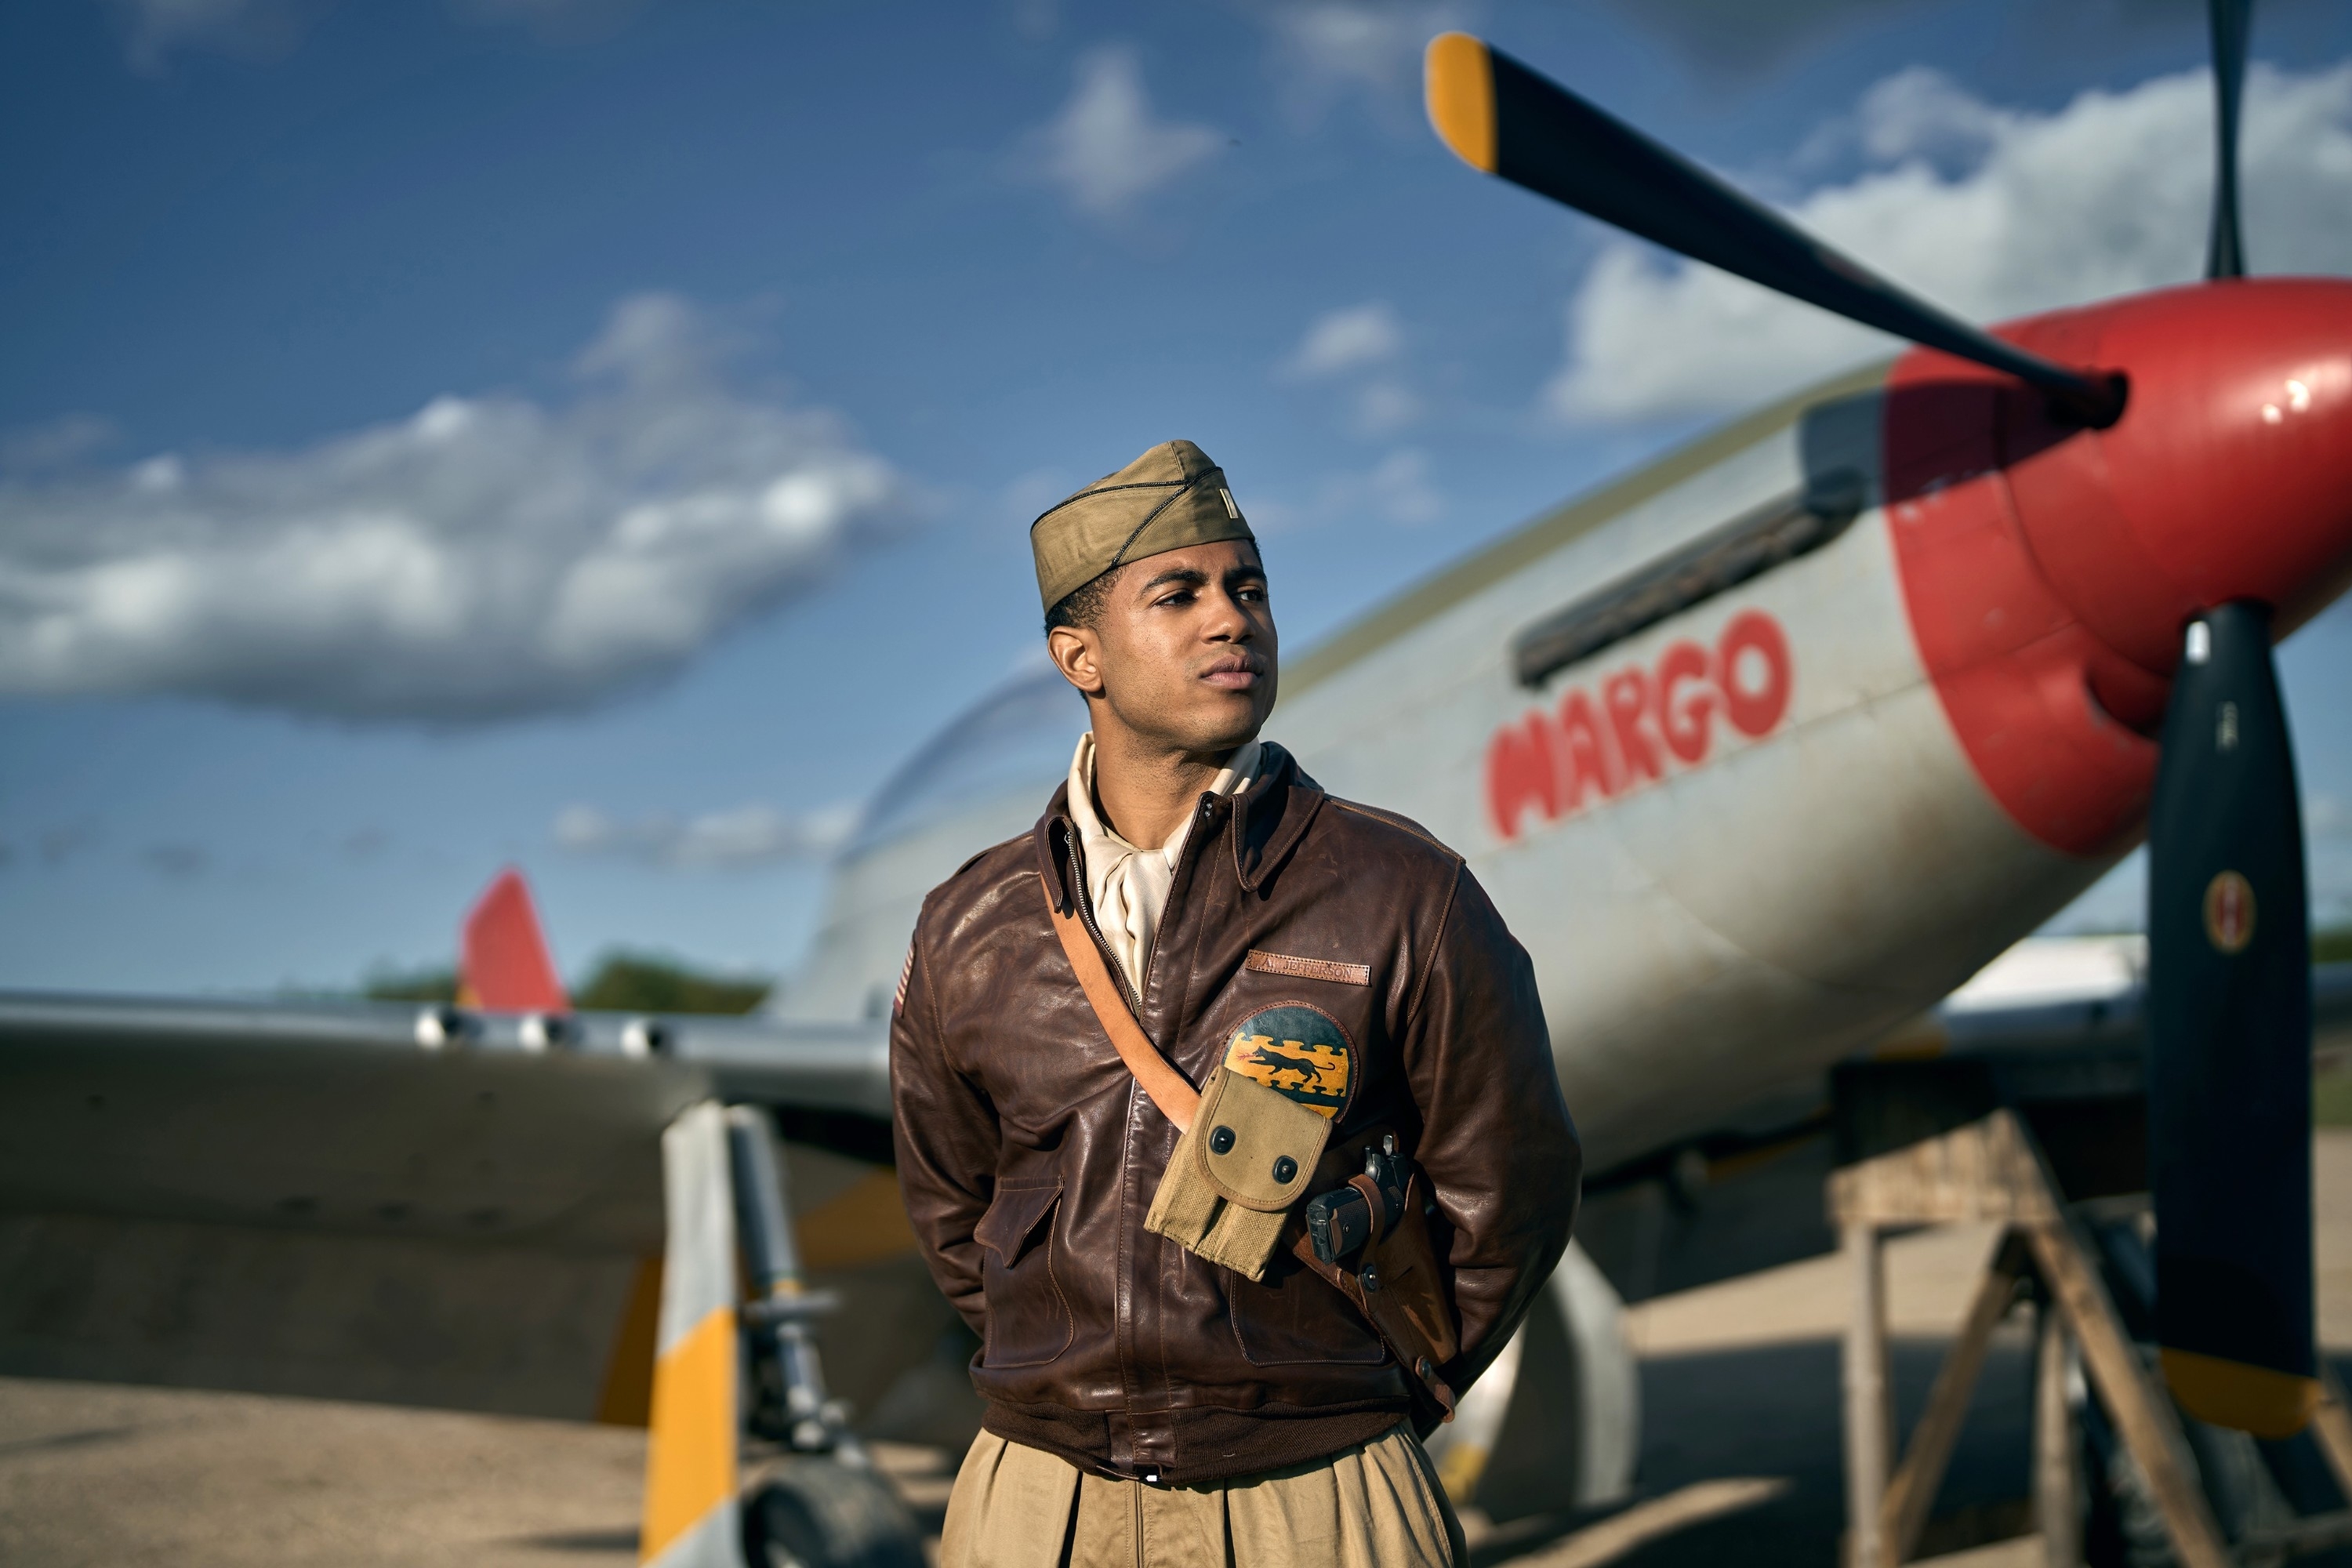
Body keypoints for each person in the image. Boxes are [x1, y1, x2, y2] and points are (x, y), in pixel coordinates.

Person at [891, 438, 1580, 1567]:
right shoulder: (968, 925)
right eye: (1180, 594)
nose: (1232, 620)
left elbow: (1510, 1185)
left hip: (1323, 1489)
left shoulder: (1407, 892)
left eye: (1247, 588)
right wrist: (1064, 1379)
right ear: (1081, 655)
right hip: (1040, 1499)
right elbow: (956, 1213)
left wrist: (1352, 1400)